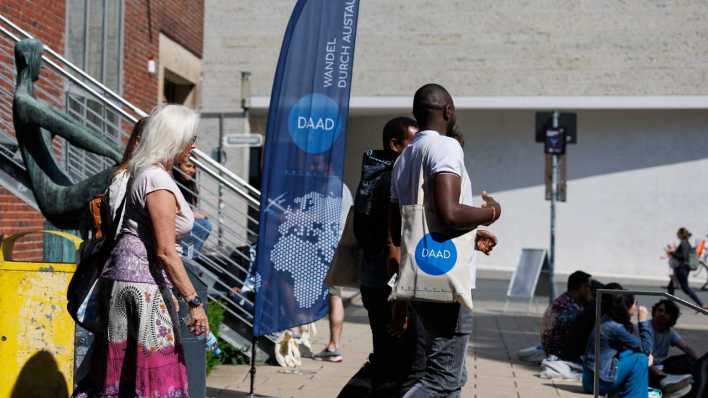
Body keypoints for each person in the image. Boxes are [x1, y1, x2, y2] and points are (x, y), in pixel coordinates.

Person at [73, 105, 209, 398]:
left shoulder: (146, 173)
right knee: (154, 375)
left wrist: (169, 289)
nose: (194, 145)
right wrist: (194, 302)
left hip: (130, 279)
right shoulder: (156, 180)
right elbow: (164, 250)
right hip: (140, 286)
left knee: (123, 372)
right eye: (191, 137)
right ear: (174, 138)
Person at [389, 83, 501, 397]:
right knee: (443, 378)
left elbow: (399, 227)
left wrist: (471, 234)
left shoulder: (404, 158)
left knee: (453, 375)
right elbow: (449, 212)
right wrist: (491, 212)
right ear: (448, 111)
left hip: (421, 273)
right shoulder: (446, 147)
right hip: (446, 278)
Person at [349, 117, 418, 395]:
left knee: (385, 353)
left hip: (373, 279)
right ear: (394, 145)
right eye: (413, 144)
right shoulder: (393, 178)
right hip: (387, 280)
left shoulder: (373, 173)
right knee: (395, 357)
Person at [581, 290, 653, 398]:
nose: (637, 307)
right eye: (635, 303)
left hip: (589, 380)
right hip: (599, 383)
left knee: (631, 353)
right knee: (640, 359)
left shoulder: (606, 320)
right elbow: (646, 348)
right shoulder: (614, 327)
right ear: (626, 307)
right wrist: (643, 321)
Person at [312, 183, 353, 362]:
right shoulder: (344, 188)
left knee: (332, 295)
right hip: (340, 246)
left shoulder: (327, 187)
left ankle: (297, 333)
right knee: (335, 296)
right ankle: (334, 345)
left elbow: (322, 218)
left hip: (326, 248)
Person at [645, 299, 707, 397]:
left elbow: (686, 348)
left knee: (689, 360)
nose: (662, 314)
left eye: (667, 312)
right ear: (654, 311)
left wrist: (699, 363)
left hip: (661, 365)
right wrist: (661, 374)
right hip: (646, 367)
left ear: (671, 317)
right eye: (660, 310)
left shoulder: (668, 331)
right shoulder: (645, 328)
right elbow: (643, 356)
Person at [540, 270, 593, 361]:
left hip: (554, 350)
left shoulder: (567, 300)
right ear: (581, 287)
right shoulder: (569, 308)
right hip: (560, 354)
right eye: (588, 287)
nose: (590, 290)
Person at [174, 159, 213, 259]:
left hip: (180, 223)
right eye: (188, 166)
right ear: (177, 166)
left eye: (194, 167)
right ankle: (187, 259)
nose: (192, 170)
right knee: (203, 225)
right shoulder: (171, 182)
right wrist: (193, 214)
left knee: (202, 224)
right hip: (170, 223)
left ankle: (189, 258)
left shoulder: (188, 186)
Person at [666, 228, 705, 308]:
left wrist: (672, 253)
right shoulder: (686, 242)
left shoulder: (684, 243)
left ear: (681, 234)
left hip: (681, 268)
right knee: (670, 287)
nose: (677, 235)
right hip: (683, 268)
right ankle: (670, 305)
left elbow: (683, 256)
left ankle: (701, 304)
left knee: (685, 288)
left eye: (678, 233)